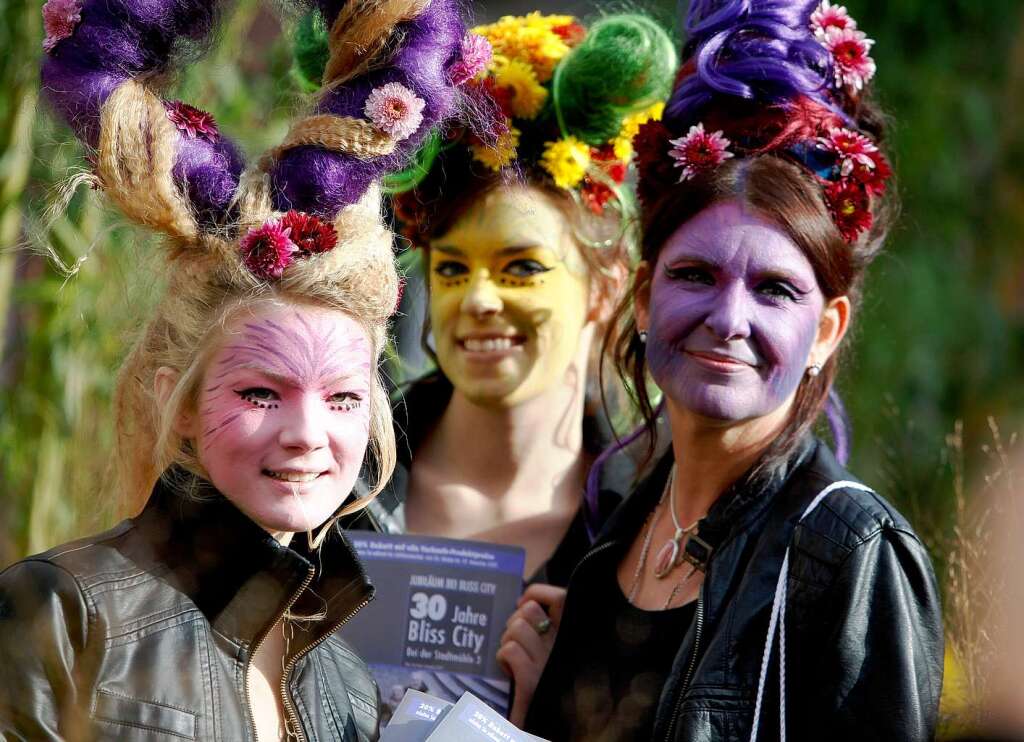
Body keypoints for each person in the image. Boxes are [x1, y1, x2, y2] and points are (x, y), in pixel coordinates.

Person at [0, 0, 469, 739]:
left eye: (343, 399)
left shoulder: (343, 681)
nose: (308, 435)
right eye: (260, 392)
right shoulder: (57, 614)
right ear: (175, 402)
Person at [518, 1, 945, 740]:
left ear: (827, 330)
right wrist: (525, 709)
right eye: (695, 275)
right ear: (645, 297)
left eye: (776, 289)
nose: (730, 318)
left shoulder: (851, 555)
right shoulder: (605, 543)